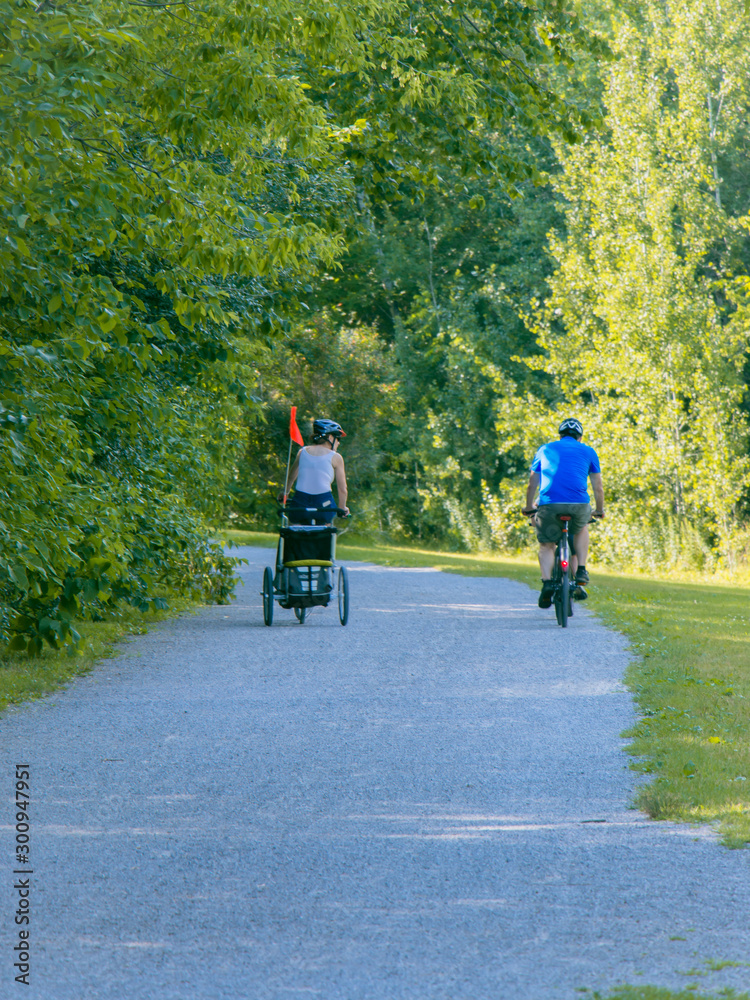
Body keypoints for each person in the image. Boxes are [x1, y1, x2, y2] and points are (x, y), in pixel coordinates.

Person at [523, 417, 604, 608]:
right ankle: (582, 570)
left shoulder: (545, 449)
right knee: (582, 526)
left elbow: (531, 484)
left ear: (560, 435)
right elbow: (598, 487)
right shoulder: (588, 451)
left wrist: (528, 507)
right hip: (579, 505)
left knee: (546, 545)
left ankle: (547, 583)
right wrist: (599, 510)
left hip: (549, 505)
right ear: (580, 437)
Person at [283, 418, 349, 524]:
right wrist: (342, 508)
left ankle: (294, 536)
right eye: (338, 439)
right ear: (331, 437)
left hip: (300, 502)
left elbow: (290, 477)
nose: (338, 443)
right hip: (323, 503)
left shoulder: (302, 452)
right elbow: (342, 489)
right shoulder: (336, 457)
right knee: (327, 526)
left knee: (295, 525)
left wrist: (284, 493)